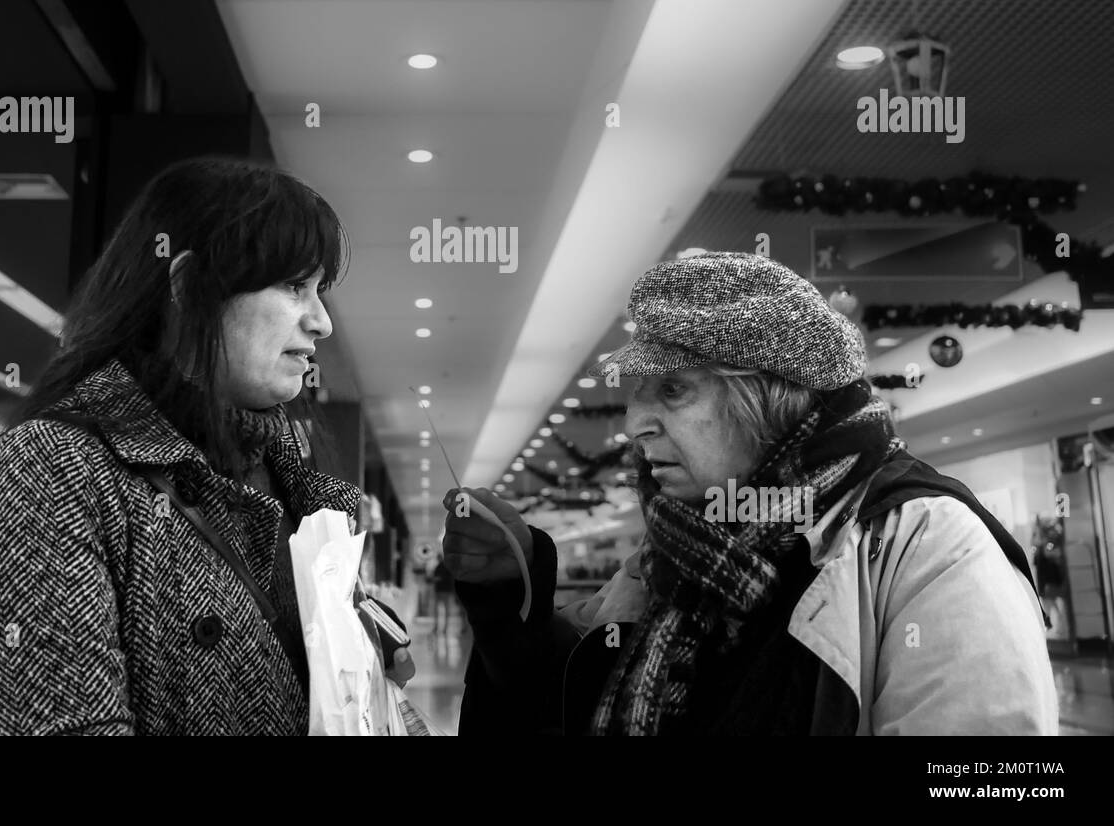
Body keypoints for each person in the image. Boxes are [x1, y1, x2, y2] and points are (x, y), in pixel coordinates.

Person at [443, 252, 1057, 736]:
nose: (634, 423)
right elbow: (567, 694)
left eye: (674, 390)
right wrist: (509, 596)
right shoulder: (678, 548)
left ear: (766, 396)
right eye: (637, 391)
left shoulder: (927, 546)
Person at [0, 157, 411, 735]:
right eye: (295, 286)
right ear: (190, 288)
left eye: (319, 290)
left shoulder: (293, 488)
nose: (322, 322)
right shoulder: (48, 473)